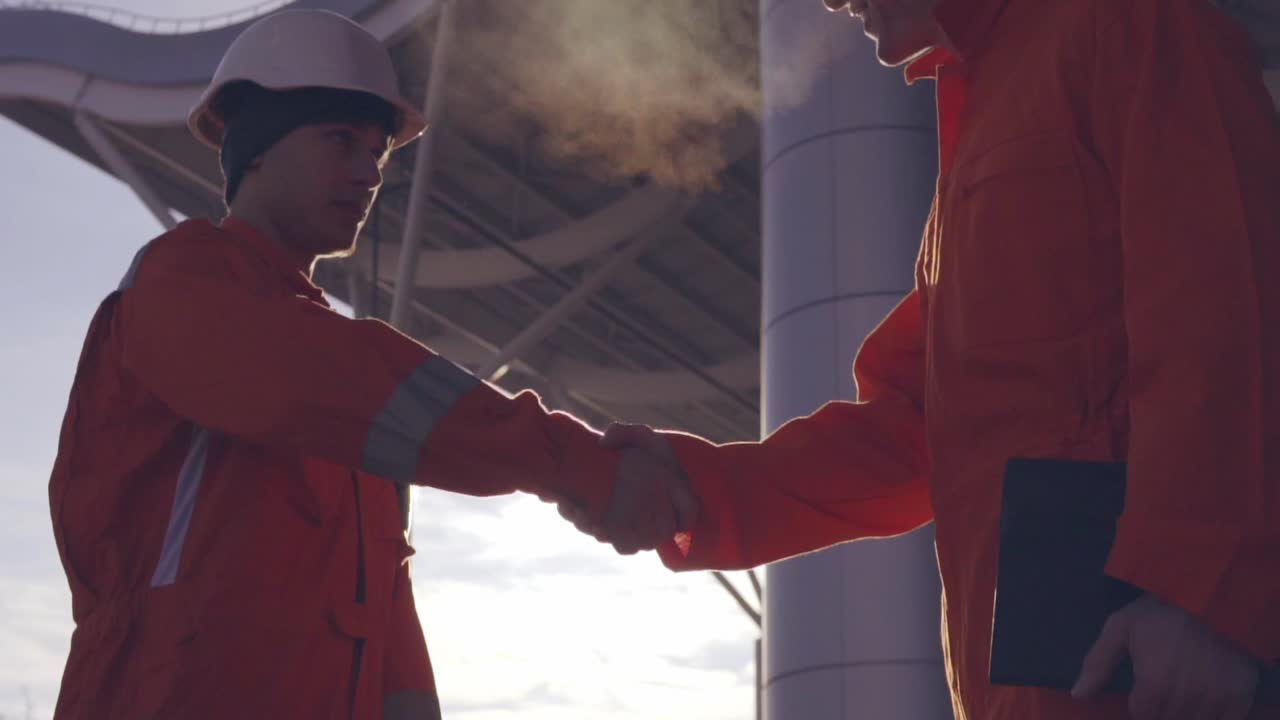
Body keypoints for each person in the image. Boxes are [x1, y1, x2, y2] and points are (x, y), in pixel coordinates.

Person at [580, 1, 1280, 719]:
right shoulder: (990, 119)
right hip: (1054, 682)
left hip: (1162, 669)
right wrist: (700, 486)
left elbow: (1228, 294)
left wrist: (1203, 592)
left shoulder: (1130, 20)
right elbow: (914, 426)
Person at [46, 9, 692, 720]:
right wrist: (585, 465)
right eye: (340, 140)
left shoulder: (354, 405)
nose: (367, 175)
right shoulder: (183, 282)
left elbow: (386, 628)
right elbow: (308, 377)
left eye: (379, 155)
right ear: (255, 145)